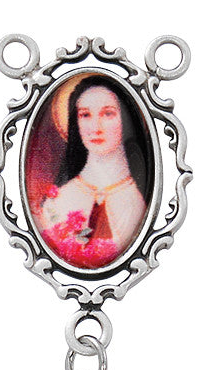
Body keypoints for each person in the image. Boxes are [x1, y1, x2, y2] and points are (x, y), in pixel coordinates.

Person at [37, 76, 149, 269]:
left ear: (126, 119)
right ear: (76, 122)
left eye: (108, 114)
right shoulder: (56, 202)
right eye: (85, 115)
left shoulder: (139, 202)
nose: (96, 128)